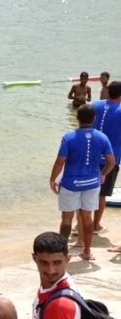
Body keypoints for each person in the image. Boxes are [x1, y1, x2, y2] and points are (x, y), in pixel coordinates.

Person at [50, 104, 114, 261]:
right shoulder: (102, 137)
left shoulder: (68, 137)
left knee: (66, 219)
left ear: (77, 118)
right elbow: (111, 162)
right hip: (92, 183)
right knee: (87, 218)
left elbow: (60, 162)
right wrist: (103, 174)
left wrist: (52, 179)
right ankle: (87, 252)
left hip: (71, 184)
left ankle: (62, 253)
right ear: (94, 119)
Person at [91, 80, 121, 234]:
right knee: (102, 195)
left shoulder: (95, 105)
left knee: (87, 192)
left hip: (90, 156)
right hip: (110, 159)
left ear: (108, 91)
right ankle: (95, 225)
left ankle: (79, 226)